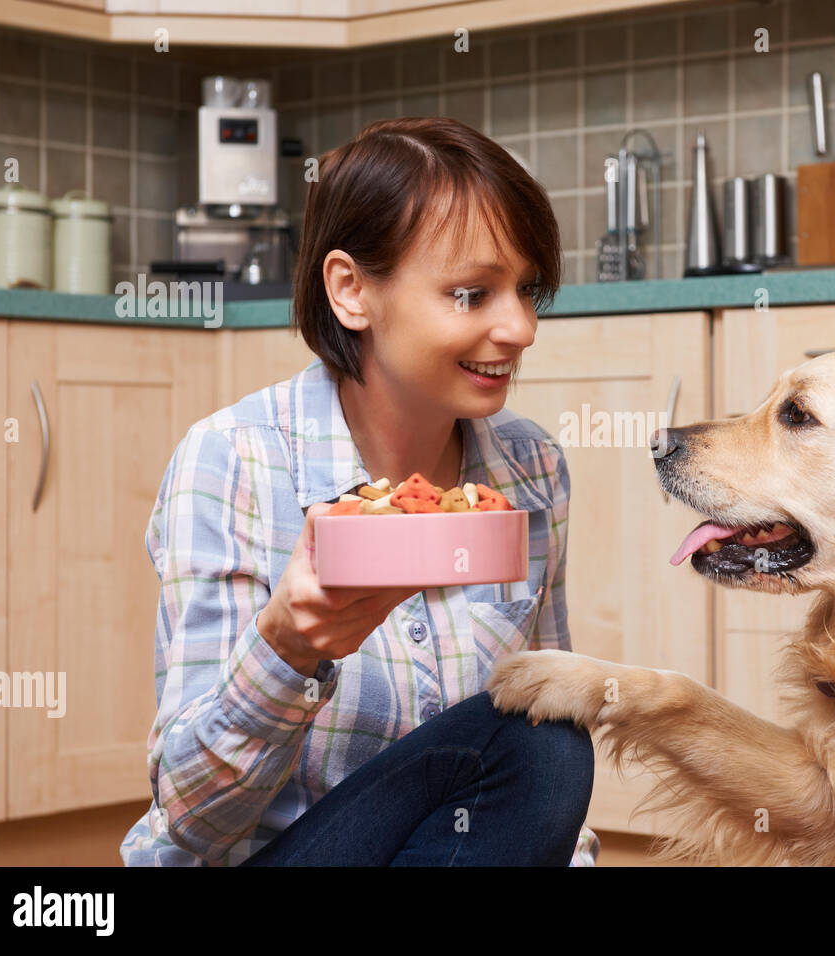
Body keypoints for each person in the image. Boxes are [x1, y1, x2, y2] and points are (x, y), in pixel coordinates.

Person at [120, 117, 598, 866]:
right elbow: (191, 822)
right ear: (350, 290)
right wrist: (287, 650)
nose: (522, 326)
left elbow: (522, 785)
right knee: (541, 742)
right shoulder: (235, 461)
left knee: (549, 732)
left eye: (528, 289)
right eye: (472, 293)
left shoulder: (531, 469)